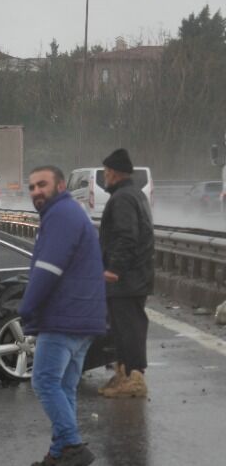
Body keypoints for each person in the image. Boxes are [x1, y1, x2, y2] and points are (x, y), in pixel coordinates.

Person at [18, 164, 107, 466]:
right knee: (64, 387)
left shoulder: (60, 215)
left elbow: (48, 267)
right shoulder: (70, 213)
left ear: (59, 186)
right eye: (31, 187)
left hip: (65, 316)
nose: (36, 191)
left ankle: (71, 445)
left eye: (42, 184)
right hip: (83, 317)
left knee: (43, 381)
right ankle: (59, 455)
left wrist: (27, 307)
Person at [96, 148, 155, 399]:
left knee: (129, 327)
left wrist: (114, 269)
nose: (105, 177)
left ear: (113, 173)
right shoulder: (135, 194)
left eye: (106, 173)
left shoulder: (122, 199)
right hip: (136, 276)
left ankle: (134, 377)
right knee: (123, 327)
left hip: (127, 278)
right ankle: (124, 373)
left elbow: (126, 236)